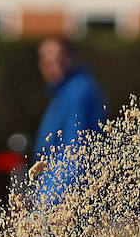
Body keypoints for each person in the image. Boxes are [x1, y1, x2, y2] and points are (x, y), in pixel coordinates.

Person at [33, 36, 106, 207]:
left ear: (72, 57)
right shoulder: (63, 93)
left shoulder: (79, 92)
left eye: (58, 56)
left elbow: (75, 152)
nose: (52, 62)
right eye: (45, 57)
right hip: (56, 191)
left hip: (64, 196)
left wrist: (51, 200)